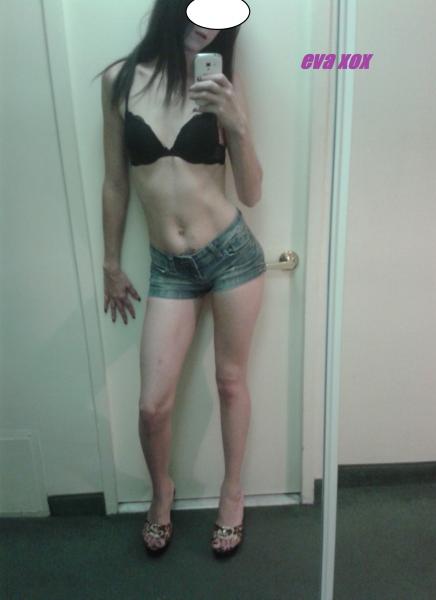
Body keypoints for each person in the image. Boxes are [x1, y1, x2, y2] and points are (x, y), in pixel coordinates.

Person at [96, 0, 266, 556]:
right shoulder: (121, 81)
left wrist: (236, 124)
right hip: (169, 267)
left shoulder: (223, 86)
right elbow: (115, 182)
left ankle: (233, 494)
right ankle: (161, 492)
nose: (207, 22)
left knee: (231, 382)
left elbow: (251, 192)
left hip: (232, 255)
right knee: (152, 406)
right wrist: (110, 263)